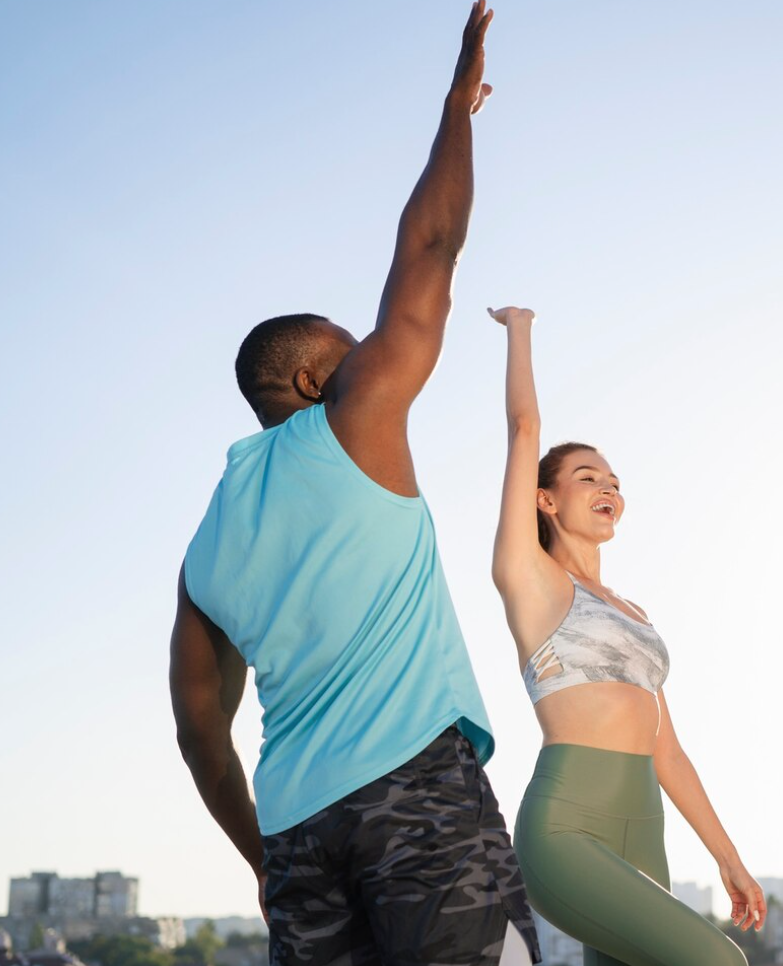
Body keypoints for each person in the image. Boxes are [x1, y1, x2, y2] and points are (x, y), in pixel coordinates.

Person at [168, 6, 539, 963]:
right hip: (415, 793)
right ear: (307, 380)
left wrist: (270, 860)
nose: (369, 353)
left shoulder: (205, 548)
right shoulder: (350, 421)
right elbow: (430, 251)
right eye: (349, 347)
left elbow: (202, 736)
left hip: (298, 835)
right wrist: (457, 106)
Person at [487, 304, 764, 966]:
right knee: (720, 962)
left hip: (645, 823)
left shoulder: (635, 612)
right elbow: (524, 429)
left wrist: (728, 858)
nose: (607, 485)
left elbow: (668, 753)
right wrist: (521, 330)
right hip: (567, 825)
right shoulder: (533, 581)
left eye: (613, 480)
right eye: (587, 477)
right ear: (545, 500)